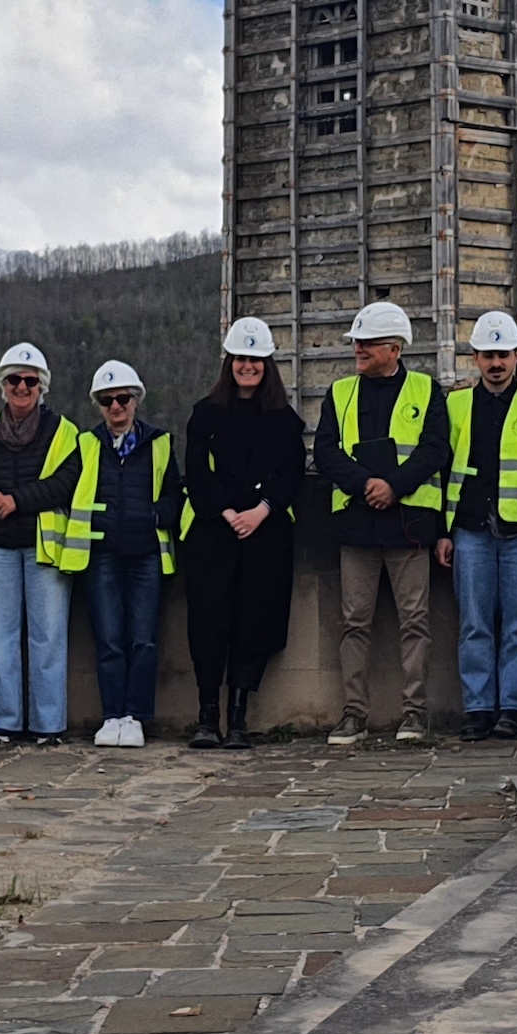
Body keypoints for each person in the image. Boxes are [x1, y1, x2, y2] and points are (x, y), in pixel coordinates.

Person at [313, 301, 448, 745]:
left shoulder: (427, 391)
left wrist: (394, 486)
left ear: (395, 348)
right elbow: (326, 451)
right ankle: (354, 714)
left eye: (367, 343)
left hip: (409, 525)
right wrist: (366, 484)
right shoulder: (339, 393)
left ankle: (415, 712)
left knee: (415, 622)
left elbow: (435, 449)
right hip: (357, 525)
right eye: (357, 342)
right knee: (354, 622)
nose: (359, 349)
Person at [436, 312, 517, 741]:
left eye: (503, 355)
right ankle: (477, 709)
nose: (496, 363)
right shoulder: (455, 405)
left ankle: (513, 708)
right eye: (488, 355)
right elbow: (441, 471)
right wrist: (442, 532)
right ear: (475, 358)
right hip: (470, 528)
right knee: (474, 623)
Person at [183, 318, 305, 751]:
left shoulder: (285, 421)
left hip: (265, 536)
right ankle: (206, 717)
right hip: (213, 536)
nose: (247, 366)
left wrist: (261, 511)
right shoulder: (205, 414)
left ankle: (238, 719)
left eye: (255, 359)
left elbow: (291, 474)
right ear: (229, 362)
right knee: (208, 625)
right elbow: (196, 472)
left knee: (254, 625)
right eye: (240, 358)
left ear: (267, 364)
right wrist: (227, 511)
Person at [59, 360, 183, 749]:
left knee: (143, 640)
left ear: (136, 401)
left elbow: (175, 492)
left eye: (123, 399)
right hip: (102, 554)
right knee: (109, 639)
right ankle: (112, 715)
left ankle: (135, 717)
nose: (116, 406)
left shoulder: (160, 443)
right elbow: (63, 487)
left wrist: (156, 515)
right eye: (107, 400)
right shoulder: (85, 444)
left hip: (147, 555)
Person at [0, 342, 82, 744]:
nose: (22, 387)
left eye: (30, 381)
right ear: (2, 385)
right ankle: (3, 720)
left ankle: (47, 725)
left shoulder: (64, 430)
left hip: (44, 546)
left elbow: (66, 482)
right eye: (14, 380)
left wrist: (16, 500)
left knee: (48, 637)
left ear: (42, 386)